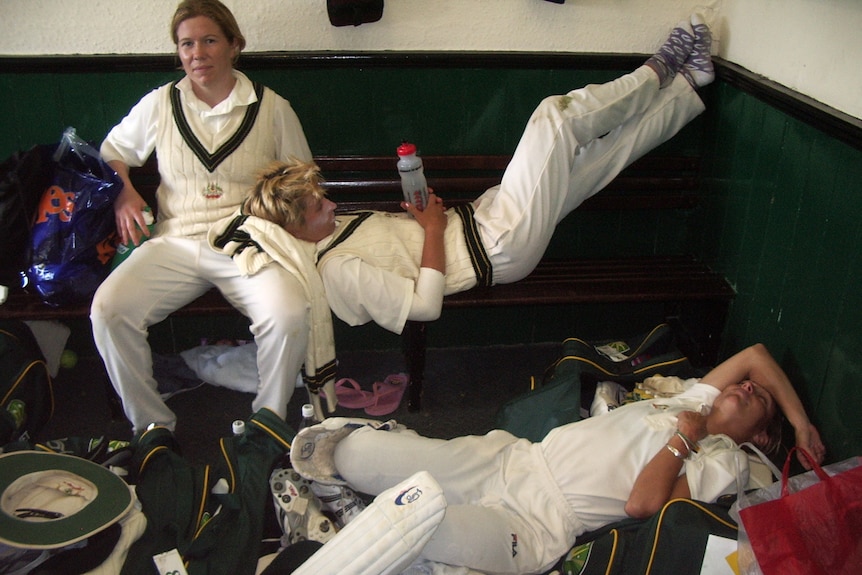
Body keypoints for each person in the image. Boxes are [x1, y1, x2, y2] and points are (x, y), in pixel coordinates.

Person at [217, 15, 716, 338]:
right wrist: (432, 228)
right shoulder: (335, 273)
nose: (329, 204)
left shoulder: (326, 233)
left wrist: (414, 221)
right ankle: (659, 69)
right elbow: (424, 306)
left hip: (483, 219)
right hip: (498, 246)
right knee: (554, 119)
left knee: (596, 163)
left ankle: (689, 89)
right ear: (295, 230)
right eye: (317, 207)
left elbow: (397, 253)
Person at [289, 343, 826, 574]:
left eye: (760, 399)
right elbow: (756, 355)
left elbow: (644, 504)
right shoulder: (693, 400)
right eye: (747, 386)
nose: (751, 384)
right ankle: (361, 505)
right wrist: (803, 423)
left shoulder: (725, 461)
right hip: (505, 461)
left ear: (760, 435)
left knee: (416, 521)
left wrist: (684, 439)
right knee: (349, 451)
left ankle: (370, 522)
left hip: (534, 524)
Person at [90, 0, 329, 435]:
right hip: (175, 242)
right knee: (108, 310)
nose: (196, 53)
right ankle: (153, 428)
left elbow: (301, 179)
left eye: (209, 40)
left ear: (235, 46)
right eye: (186, 44)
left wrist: (293, 228)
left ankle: (266, 424)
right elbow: (112, 152)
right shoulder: (160, 104)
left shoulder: (272, 108)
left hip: (247, 243)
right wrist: (123, 193)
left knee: (289, 313)